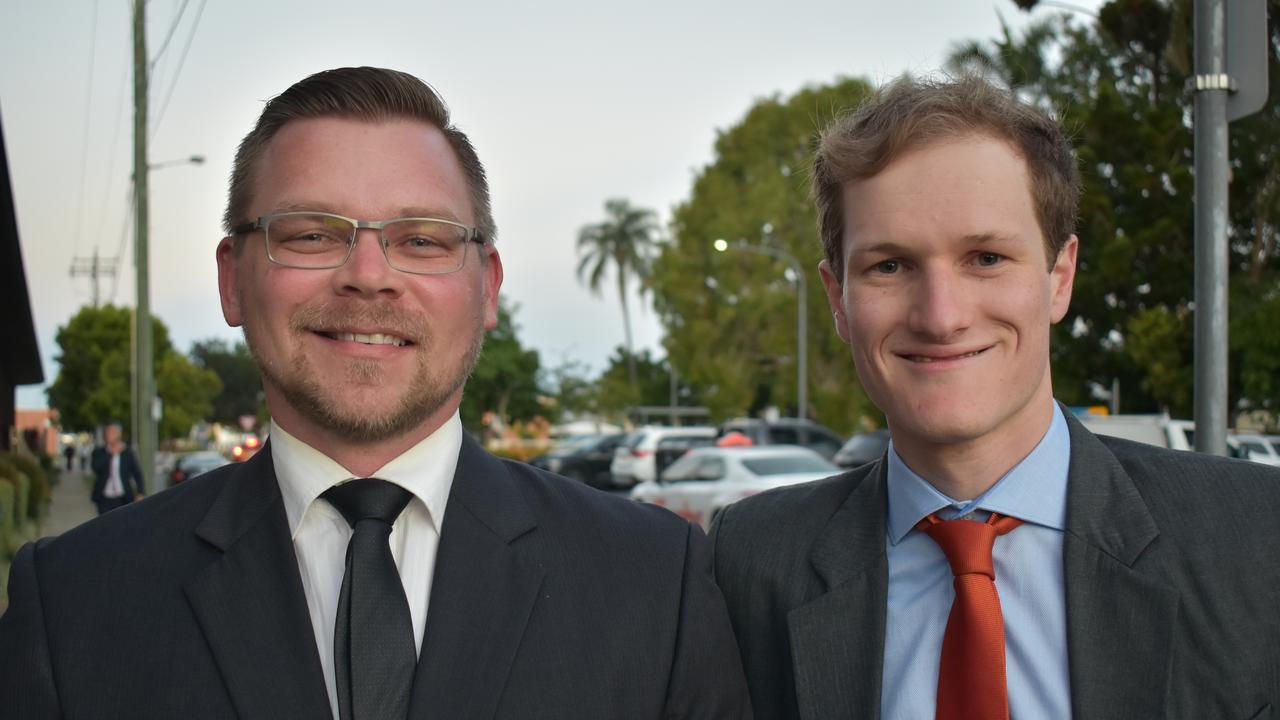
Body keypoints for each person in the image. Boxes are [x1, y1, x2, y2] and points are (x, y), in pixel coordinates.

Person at [0, 67, 751, 719]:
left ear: (485, 287)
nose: (368, 273)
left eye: (422, 239)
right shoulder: (74, 603)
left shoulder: (655, 583)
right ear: (233, 279)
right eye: (311, 234)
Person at [711, 75, 1280, 720]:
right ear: (838, 299)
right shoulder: (750, 565)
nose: (941, 316)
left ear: (1059, 277)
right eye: (889, 266)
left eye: (985, 258)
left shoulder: (1255, 537)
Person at [88, 422, 144, 514]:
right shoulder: (99, 452)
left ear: (118, 434)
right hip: (104, 497)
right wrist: (110, 454)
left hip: (123, 497)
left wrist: (140, 492)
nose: (108, 435)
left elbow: (137, 473)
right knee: (104, 524)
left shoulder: (127, 452)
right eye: (106, 433)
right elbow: (95, 467)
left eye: (111, 433)